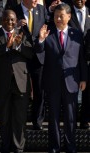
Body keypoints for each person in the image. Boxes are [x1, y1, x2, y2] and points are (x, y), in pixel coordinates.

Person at [35, 3, 87, 153]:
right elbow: (38, 53)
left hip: (71, 82)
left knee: (70, 119)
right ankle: (54, 147)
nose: (57, 18)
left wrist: (83, 79)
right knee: (53, 118)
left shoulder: (76, 34)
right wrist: (40, 40)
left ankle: (71, 147)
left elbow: (81, 59)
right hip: (52, 83)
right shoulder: (47, 33)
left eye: (61, 16)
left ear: (69, 17)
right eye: (56, 16)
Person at [0, 10, 34, 153]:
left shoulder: (23, 33)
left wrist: (18, 46)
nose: (10, 22)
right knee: (4, 117)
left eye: (12, 20)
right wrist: (6, 46)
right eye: (7, 20)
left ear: (16, 20)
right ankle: (6, 147)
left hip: (20, 81)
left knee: (20, 118)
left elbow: (31, 53)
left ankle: (19, 148)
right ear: (2, 20)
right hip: (2, 82)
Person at [12, 0, 50, 130]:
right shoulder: (14, 10)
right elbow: (7, 29)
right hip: (21, 57)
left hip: (39, 56)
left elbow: (48, 25)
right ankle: (19, 121)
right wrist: (16, 26)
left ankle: (38, 121)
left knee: (40, 90)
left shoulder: (42, 9)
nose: (36, 0)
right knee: (21, 91)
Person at [68, 0, 90, 130]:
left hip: (87, 59)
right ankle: (72, 120)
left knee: (87, 93)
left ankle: (85, 120)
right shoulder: (67, 12)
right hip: (72, 57)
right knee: (71, 91)